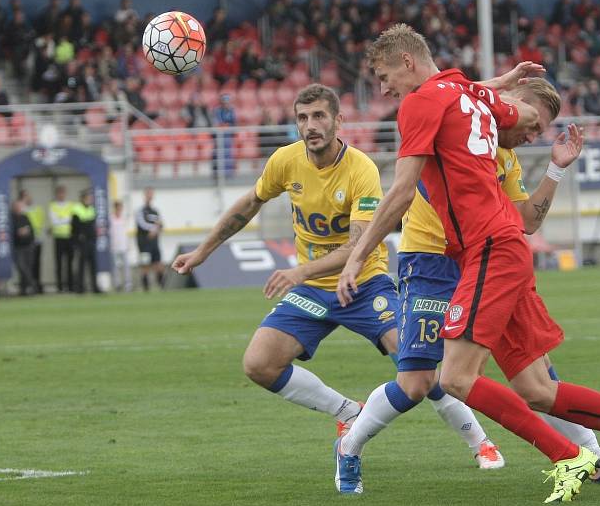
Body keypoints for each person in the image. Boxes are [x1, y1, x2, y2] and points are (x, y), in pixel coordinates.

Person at [336, 24, 600, 503]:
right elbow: (490, 100)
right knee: (537, 389)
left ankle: (569, 457)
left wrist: (356, 258)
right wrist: (506, 84)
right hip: (496, 249)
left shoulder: (423, 102)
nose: (384, 89)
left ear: (407, 62)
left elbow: (401, 191)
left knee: (454, 379)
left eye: (384, 77)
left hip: (486, 249)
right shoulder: (466, 92)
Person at [171, 84, 504, 470]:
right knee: (259, 364)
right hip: (314, 291)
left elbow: (355, 248)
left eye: (318, 116)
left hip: (365, 284)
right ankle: (347, 411)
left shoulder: (360, 169)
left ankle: (481, 443)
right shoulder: (285, 161)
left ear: (338, 121)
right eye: (302, 117)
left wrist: (298, 271)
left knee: (420, 369)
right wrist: (203, 251)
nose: (310, 126)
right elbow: (249, 205)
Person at [71, 188, 101, 294]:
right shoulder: (77, 209)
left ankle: (95, 287)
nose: (91, 199)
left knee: (93, 265)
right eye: (89, 197)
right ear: (84, 198)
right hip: (82, 242)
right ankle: (80, 288)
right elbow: (74, 228)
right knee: (81, 265)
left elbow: (93, 224)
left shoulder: (91, 209)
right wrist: (76, 241)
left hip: (91, 240)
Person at [136, 187, 165, 291]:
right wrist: (153, 228)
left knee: (158, 264)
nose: (150, 196)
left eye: (151, 194)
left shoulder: (155, 211)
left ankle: (162, 286)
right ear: (145, 195)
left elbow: (161, 224)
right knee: (145, 265)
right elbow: (142, 224)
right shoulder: (141, 211)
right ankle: (146, 288)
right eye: (148, 194)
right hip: (144, 243)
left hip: (154, 243)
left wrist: (158, 228)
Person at [18, 189, 45, 294]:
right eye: (26, 196)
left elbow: (40, 222)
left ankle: (36, 284)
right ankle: (29, 285)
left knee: (36, 264)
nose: (28, 198)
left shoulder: (36, 209)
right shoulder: (21, 210)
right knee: (26, 265)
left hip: (36, 239)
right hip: (26, 241)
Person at [49, 184, 75, 293]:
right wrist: (65, 219)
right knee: (59, 263)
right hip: (58, 237)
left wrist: (62, 219)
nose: (61, 195)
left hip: (69, 237)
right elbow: (54, 221)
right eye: (59, 193)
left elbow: (71, 219)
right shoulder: (53, 205)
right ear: (57, 194)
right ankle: (60, 287)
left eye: (63, 193)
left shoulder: (70, 205)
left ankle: (70, 285)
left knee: (69, 263)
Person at [11, 198, 37, 296]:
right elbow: (13, 231)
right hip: (18, 247)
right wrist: (19, 232)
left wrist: (26, 233)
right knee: (21, 267)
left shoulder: (25, 217)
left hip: (28, 245)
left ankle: (24, 290)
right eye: (17, 206)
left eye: (20, 206)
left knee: (28, 267)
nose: (19, 208)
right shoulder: (11, 218)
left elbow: (30, 229)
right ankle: (33, 284)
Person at [111, 200, 132, 291]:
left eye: (120, 207)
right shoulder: (110, 218)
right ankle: (117, 284)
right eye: (118, 207)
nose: (119, 209)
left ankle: (128, 284)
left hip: (123, 245)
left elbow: (125, 232)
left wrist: (128, 244)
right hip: (114, 245)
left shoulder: (123, 218)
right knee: (115, 266)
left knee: (126, 266)